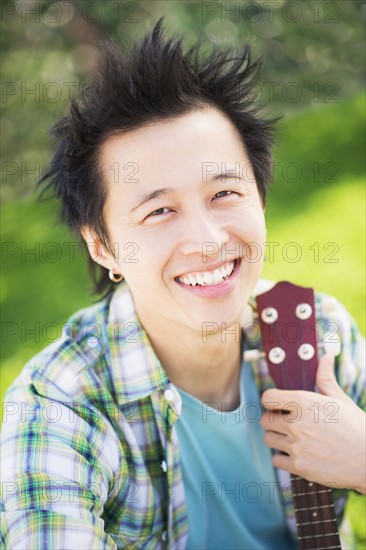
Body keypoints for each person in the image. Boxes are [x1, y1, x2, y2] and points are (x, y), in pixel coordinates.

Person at [1, 18, 365, 549]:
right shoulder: (58, 406)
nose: (208, 239)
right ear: (103, 247)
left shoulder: (317, 334)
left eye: (223, 194)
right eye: (159, 211)